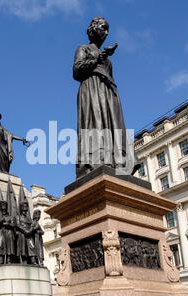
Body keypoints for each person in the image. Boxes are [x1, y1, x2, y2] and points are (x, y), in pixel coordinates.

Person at [73, 17, 137, 179]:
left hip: (108, 94)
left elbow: (111, 77)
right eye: (103, 27)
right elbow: (76, 71)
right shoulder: (83, 49)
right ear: (93, 28)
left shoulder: (107, 60)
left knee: (112, 126)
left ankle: (117, 161)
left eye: (108, 29)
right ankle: (97, 160)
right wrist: (97, 59)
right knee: (96, 124)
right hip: (92, 90)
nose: (106, 32)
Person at [0, 200, 16, 264]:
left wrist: (8, 224)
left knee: (9, 246)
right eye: (2, 206)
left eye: (5, 205)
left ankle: (9, 259)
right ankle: (1, 259)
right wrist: (0, 221)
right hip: (1, 232)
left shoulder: (10, 217)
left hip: (9, 232)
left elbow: (13, 225)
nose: (3, 207)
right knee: (1, 245)